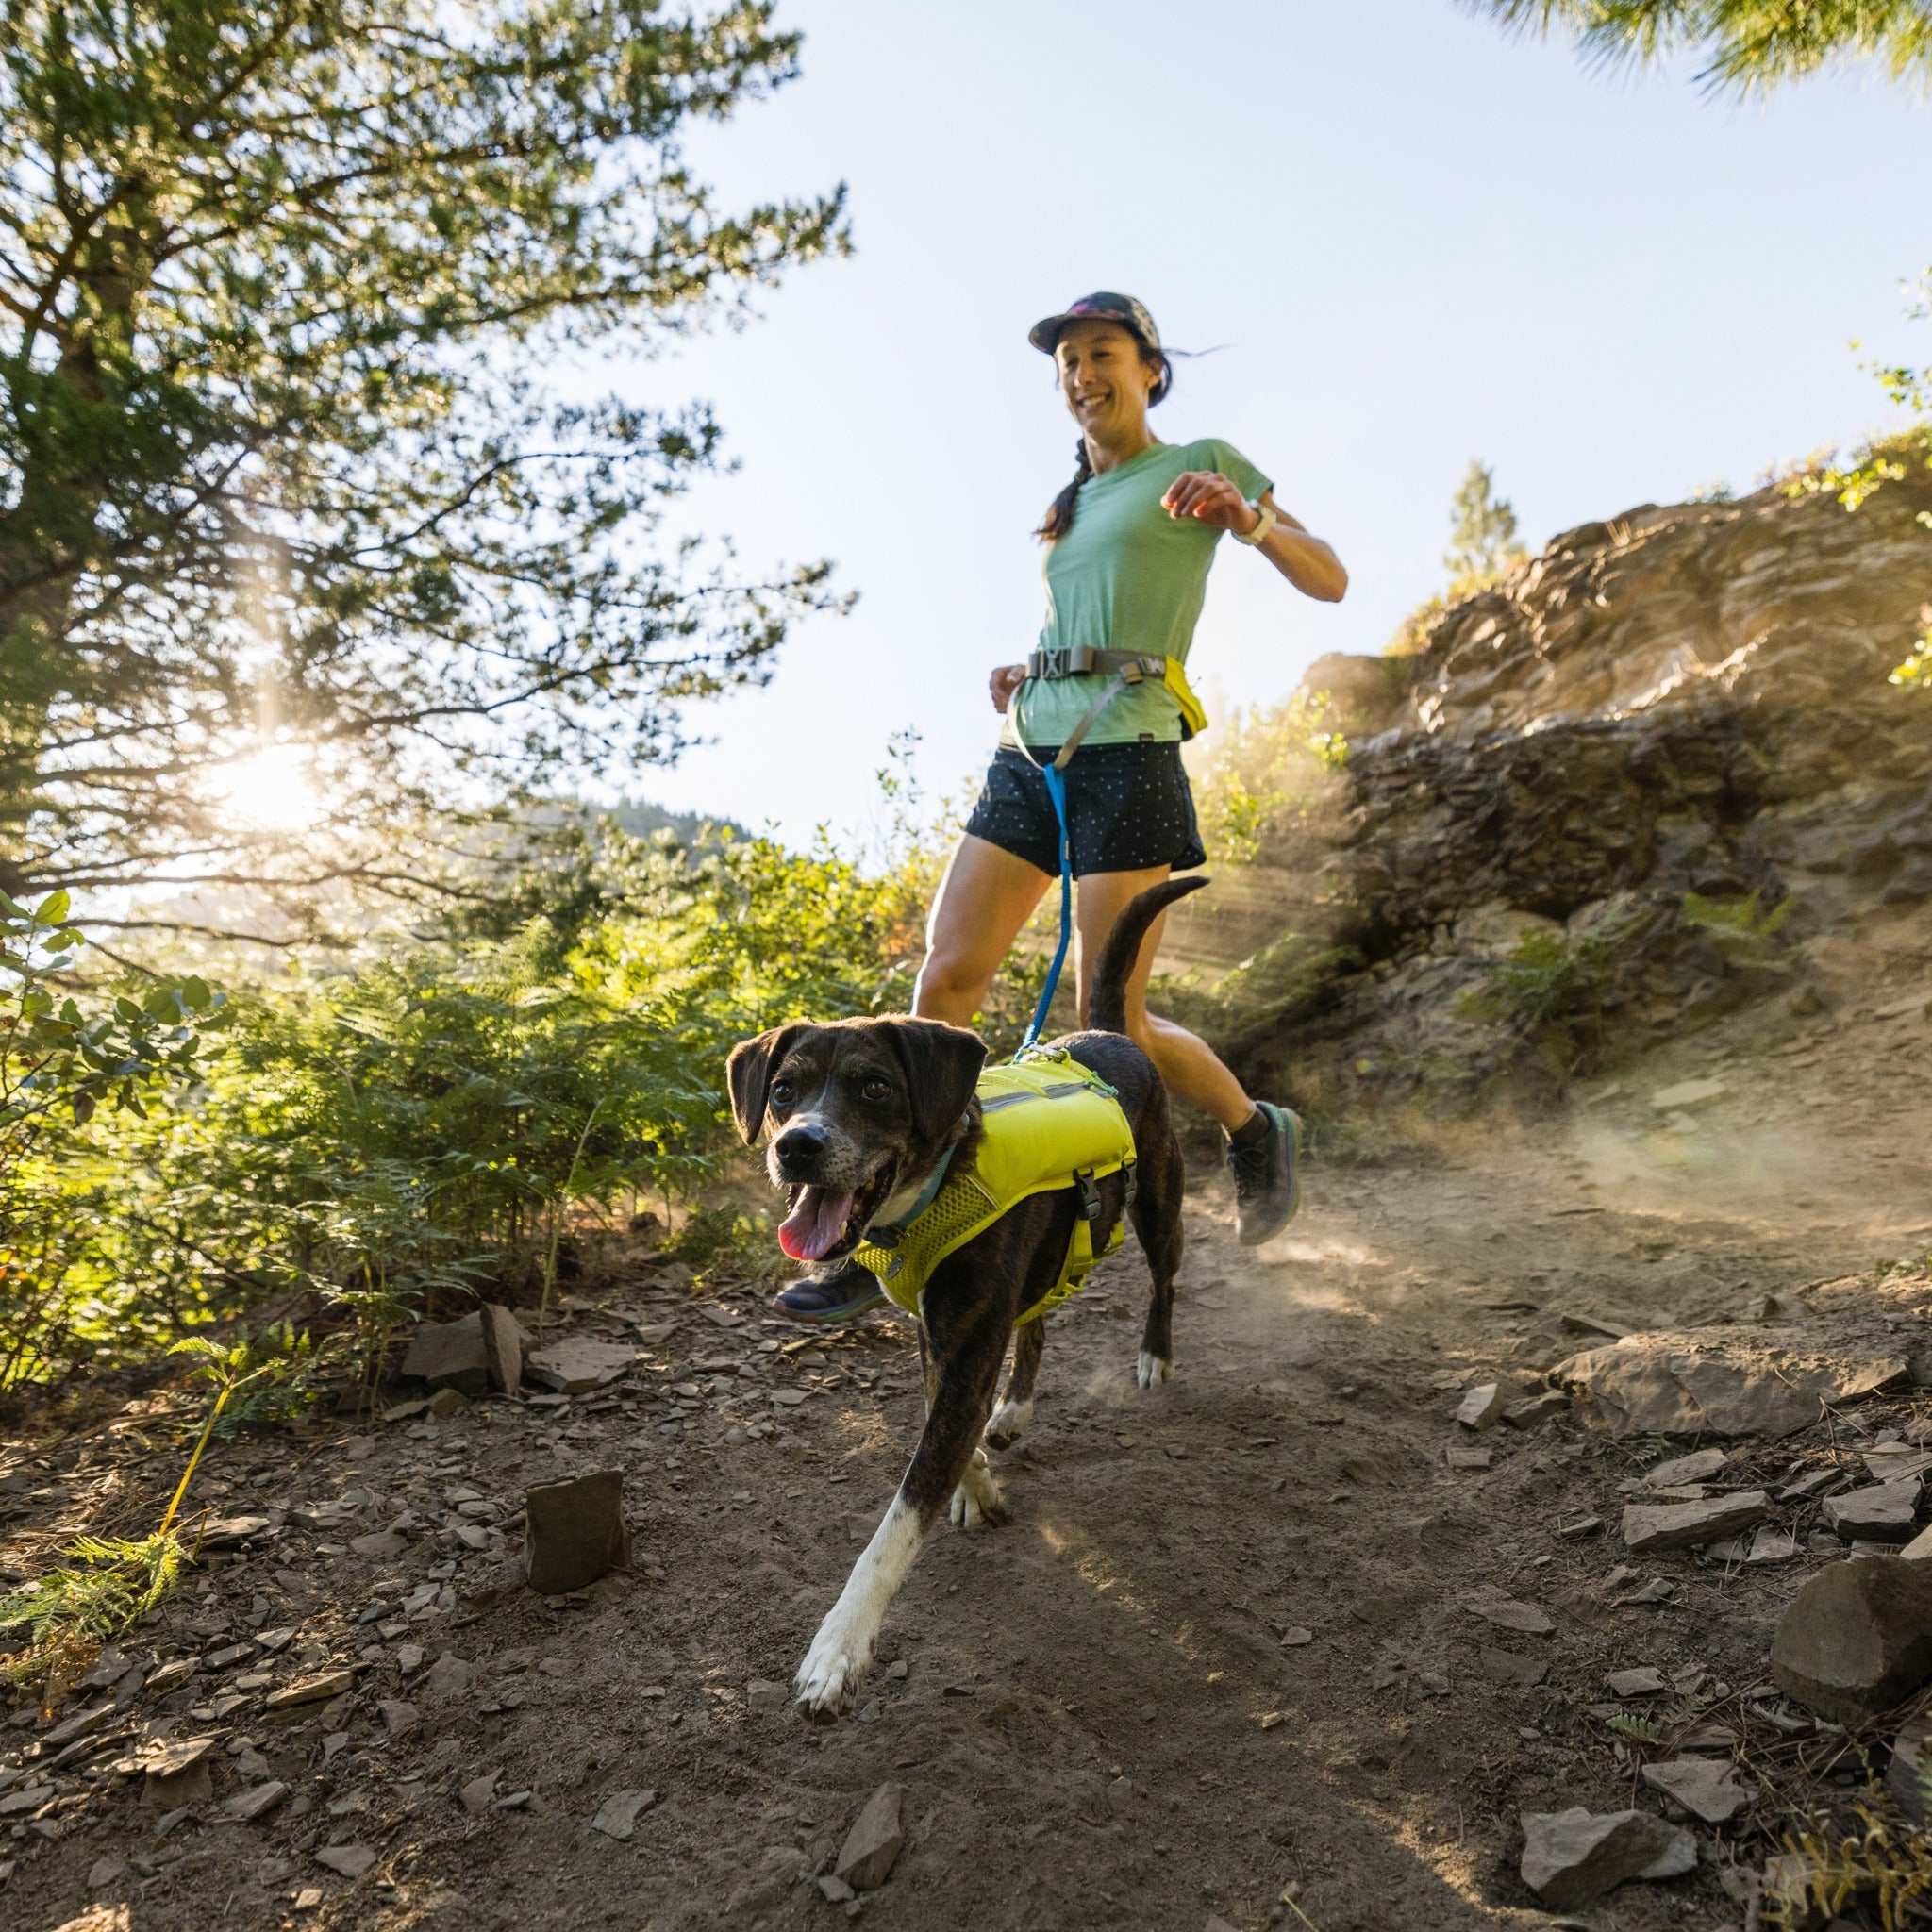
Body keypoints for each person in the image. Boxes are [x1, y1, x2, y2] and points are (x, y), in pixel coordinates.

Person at [779, 291, 1347, 1324]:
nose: (1082, 374)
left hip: (1127, 749)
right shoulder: (1069, 503)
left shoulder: (1199, 461)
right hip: (1030, 746)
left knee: (1111, 1014)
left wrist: (1249, 518)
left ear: (1148, 369)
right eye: (1067, 364)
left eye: (1101, 355)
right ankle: (890, 1216)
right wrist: (1030, 668)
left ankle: (1254, 1127)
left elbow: (1329, 577)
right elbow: (1083, 610)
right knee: (943, 977)